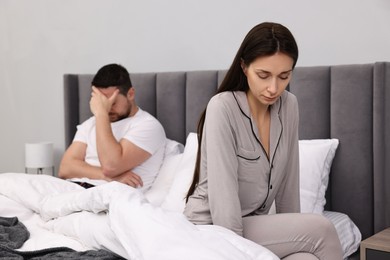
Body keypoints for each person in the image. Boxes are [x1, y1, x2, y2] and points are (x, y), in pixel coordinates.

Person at [184, 22, 343, 260]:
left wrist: (298, 242)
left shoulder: (289, 106)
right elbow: (225, 207)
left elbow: (289, 188)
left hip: (255, 228)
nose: (273, 88)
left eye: (284, 76)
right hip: (212, 228)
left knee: (306, 258)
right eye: (263, 75)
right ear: (244, 67)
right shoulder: (222, 107)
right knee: (322, 229)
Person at [59, 63, 166, 191]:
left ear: (130, 94)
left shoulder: (148, 125)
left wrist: (101, 114)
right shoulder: (90, 123)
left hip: (105, 196)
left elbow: (111, 166)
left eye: (112, 102)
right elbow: (65, 168)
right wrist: (111, 178)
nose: (107, 108)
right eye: (102, 102)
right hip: (73, 189)